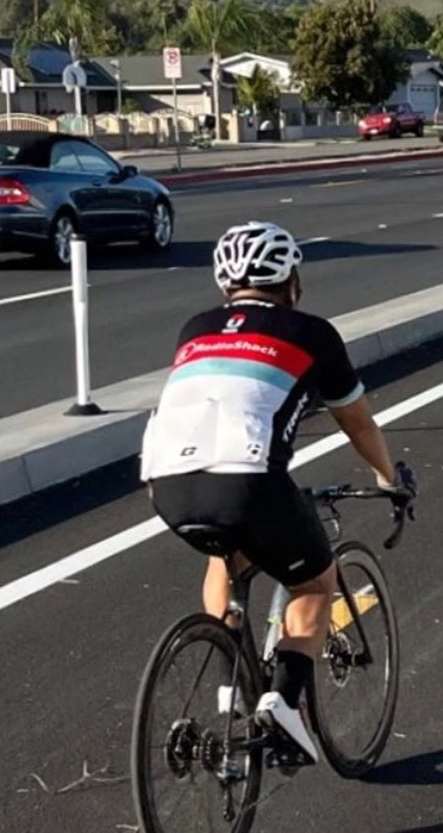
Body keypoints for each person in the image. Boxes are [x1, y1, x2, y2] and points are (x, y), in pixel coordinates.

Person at [141, 220, 407, 764]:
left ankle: (231, 676)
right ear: (292, 282)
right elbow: (357, 423)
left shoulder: (196, 328)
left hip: (165, 482)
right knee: (314, 582)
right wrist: (389, 480)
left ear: (224, 286)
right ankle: (283, 703)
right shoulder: (311, 333)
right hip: (249, 482)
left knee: (227, 553)